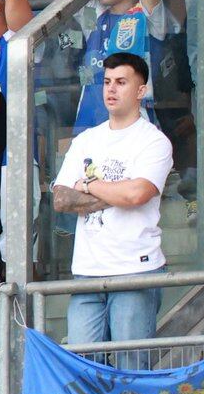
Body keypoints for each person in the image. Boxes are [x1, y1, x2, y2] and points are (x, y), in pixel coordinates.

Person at [53, 53, 174, 362]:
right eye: (107, 82)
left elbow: (136, 194)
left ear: (140, 90)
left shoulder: (154, 141)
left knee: (131, 370)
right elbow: (62, 199)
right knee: (83, 369)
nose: (111, 89)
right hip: (87, 271)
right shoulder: (86, 139)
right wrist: (115, 194)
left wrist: (89, 185)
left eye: (121, 82)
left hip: (135, 269)